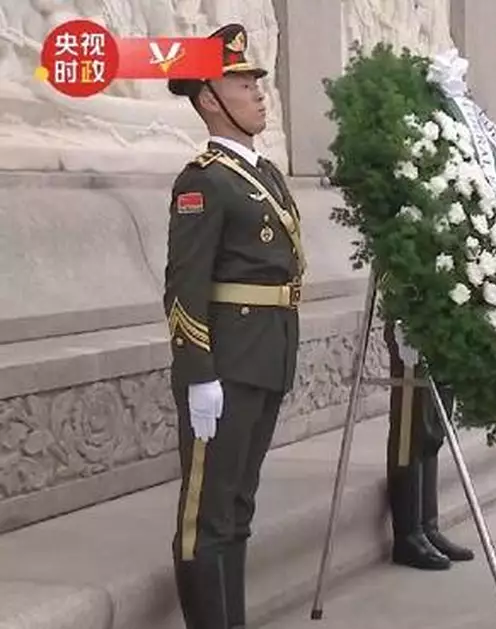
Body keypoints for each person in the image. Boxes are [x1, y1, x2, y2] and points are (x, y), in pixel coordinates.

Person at [164, 23, 304, 629]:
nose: (257, 92)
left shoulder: (263, 173)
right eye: (241, 82)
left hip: (265, 355)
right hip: (225, 362)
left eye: (255, 81)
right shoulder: (204, 180)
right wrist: (197, 373)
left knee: (239, 508)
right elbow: (184, 285)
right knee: (207, 517)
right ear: (208, 99)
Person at [382, 324, 476, 570]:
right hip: (411, 318)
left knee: (434, 425)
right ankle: (408, 534)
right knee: (412, 425)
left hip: (442, 319)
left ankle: (427, 526)